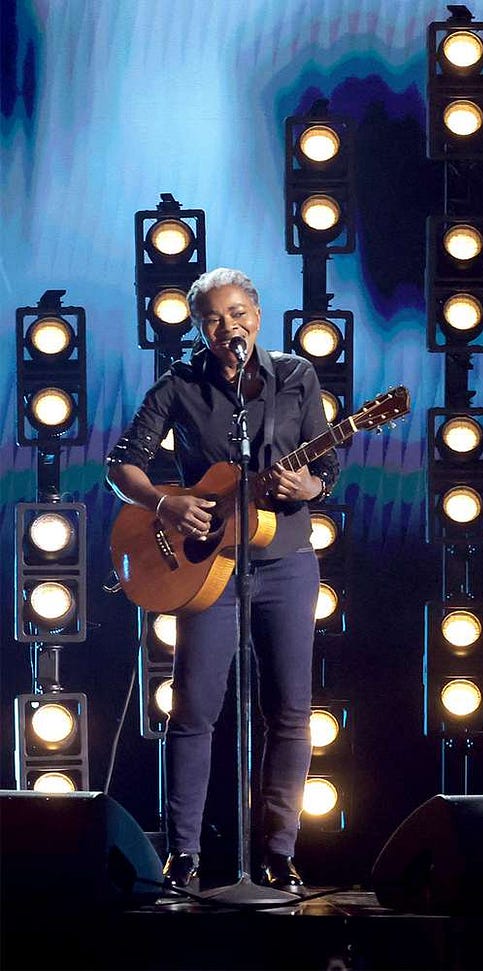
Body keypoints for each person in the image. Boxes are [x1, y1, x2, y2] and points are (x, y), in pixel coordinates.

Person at [106, 267, 340, 893]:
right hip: (206, 569)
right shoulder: (179, 385)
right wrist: (165, 504)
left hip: (286, 559)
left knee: (291, 713)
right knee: (194, 711)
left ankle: (278, 854)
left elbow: (329, 462)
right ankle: (183, 856)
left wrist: (310, 486)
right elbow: (122, 463)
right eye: (211, 318)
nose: (226, 326)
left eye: (236, 313)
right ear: (197, 327)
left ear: (257, 315)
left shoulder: (296, 377)